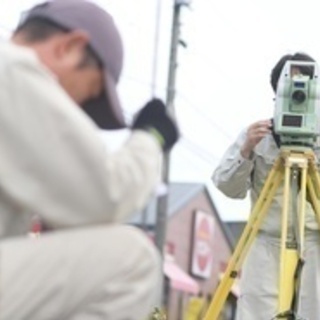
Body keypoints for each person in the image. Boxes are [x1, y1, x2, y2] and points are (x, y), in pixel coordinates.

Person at [0, 1, 179, 319]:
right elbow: (107, 195)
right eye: (90, 92)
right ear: (70, 47)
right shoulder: (13, 67)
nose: (77, 107)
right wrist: (151, 139)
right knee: (130, 259)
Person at [212, 52, 320, 320]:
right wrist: (247, 149)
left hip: (315, 241)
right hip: (265, 242)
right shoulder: (258, 135)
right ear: (278, 90)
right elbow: (228, 186)